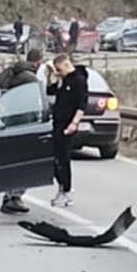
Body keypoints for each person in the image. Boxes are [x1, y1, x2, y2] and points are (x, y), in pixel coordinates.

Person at [0, 48, 45, 215]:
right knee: (25, 162)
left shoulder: (9, 73)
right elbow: (37, 103)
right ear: (39, 62)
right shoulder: (31, 79)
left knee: (11, 161)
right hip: (25, 123)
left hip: (8, 122)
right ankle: (14, 196)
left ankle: (8, 195)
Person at [46, 53, 88, 208]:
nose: (58, 72)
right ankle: (62, 188)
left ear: (66, 65)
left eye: (59, 69)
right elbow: (49, 90)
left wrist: (74, 123)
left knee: (63, 158)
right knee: (55, 158)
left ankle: (67, 190)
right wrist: (54, 76)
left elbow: (81, 105)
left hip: (68, 124)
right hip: (57, 123)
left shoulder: (79, 80)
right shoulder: (63, 80)